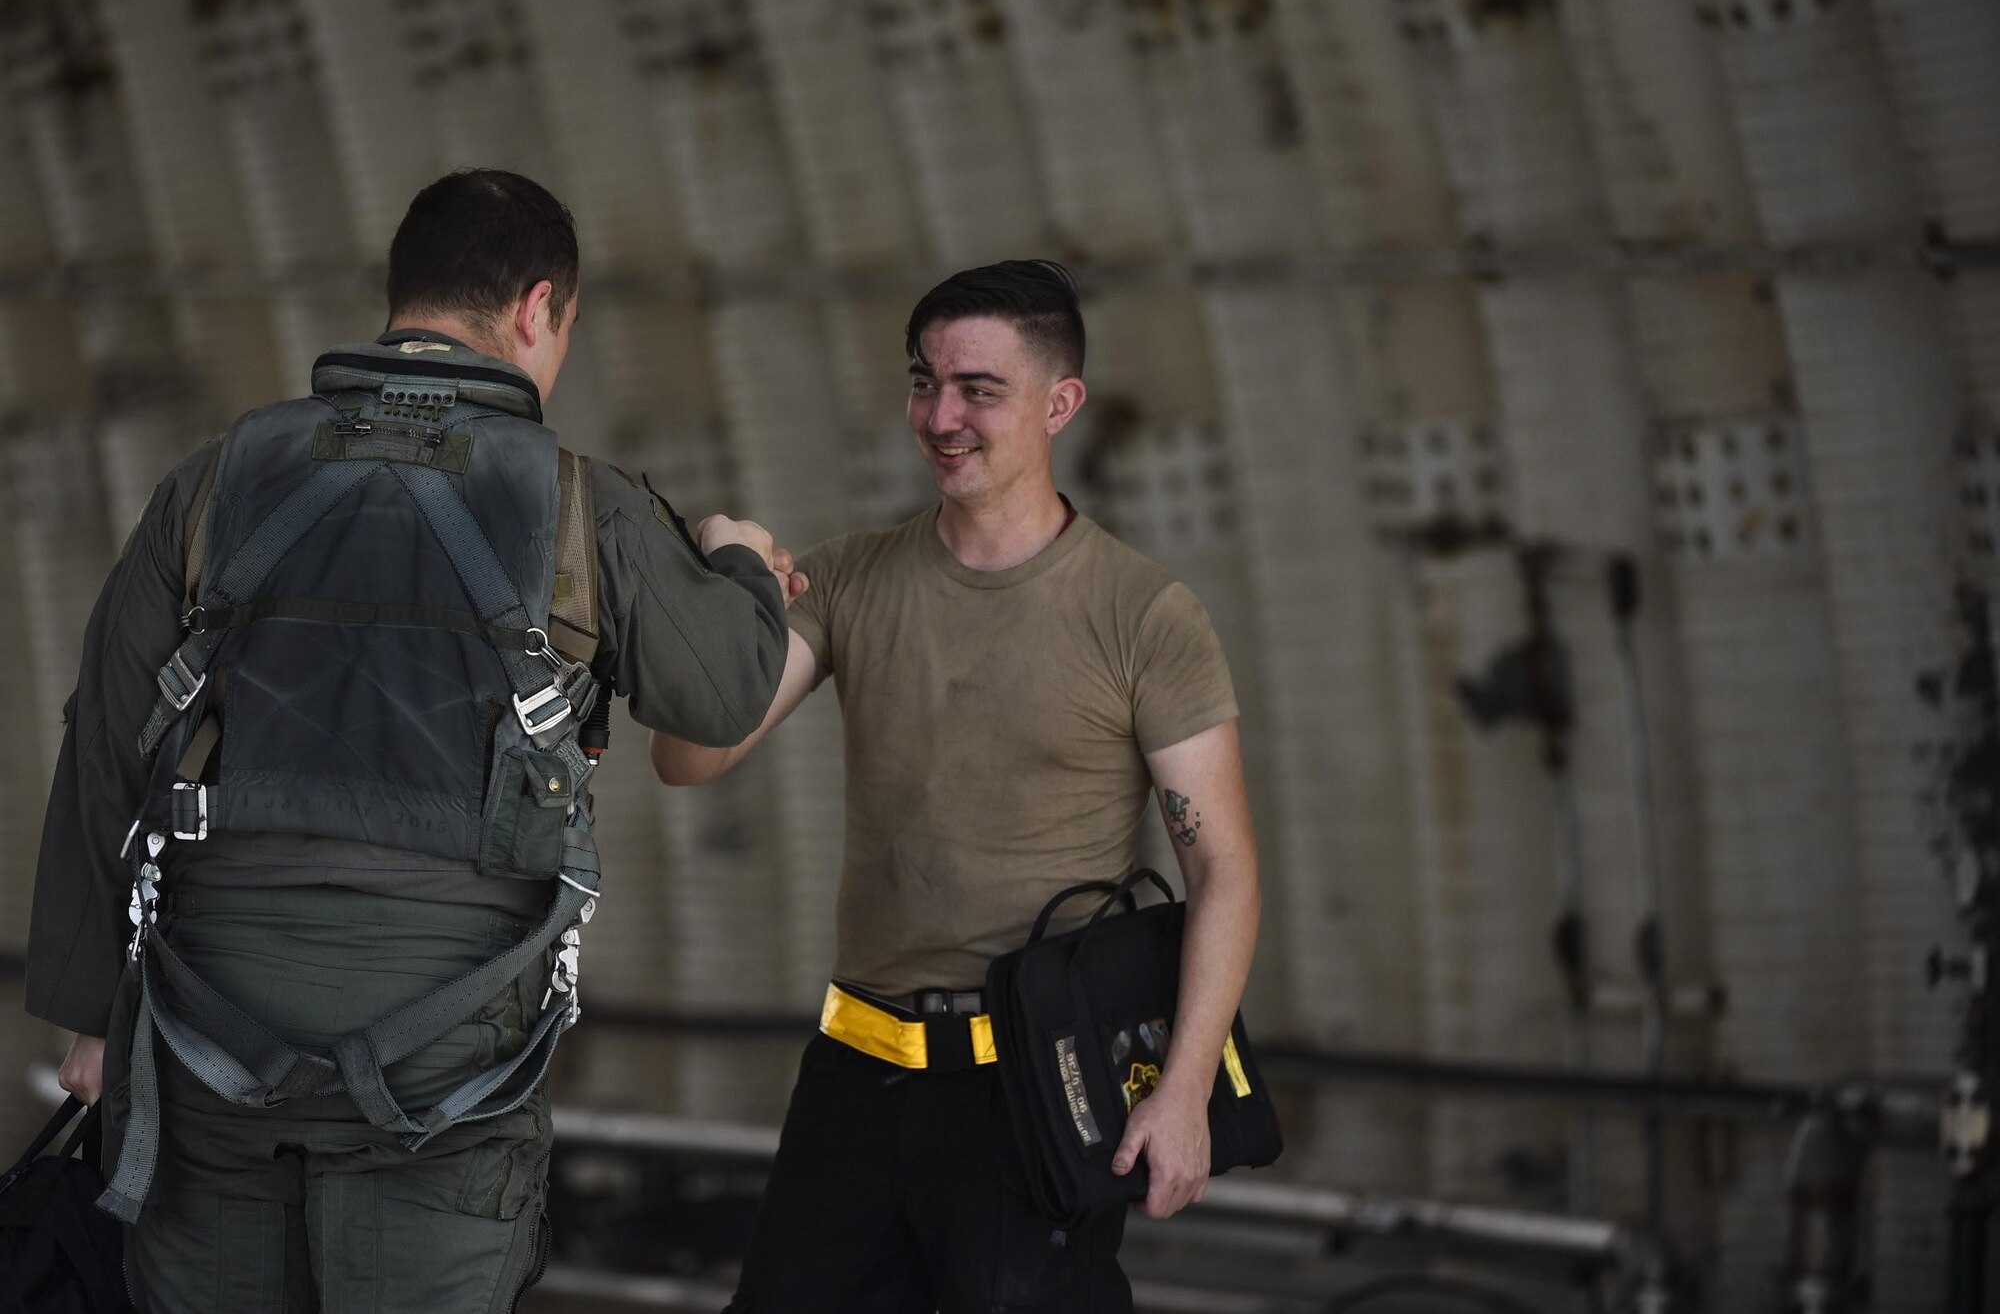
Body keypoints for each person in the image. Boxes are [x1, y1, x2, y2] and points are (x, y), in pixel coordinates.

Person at [24, 168, 796, 1312]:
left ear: (403, 296)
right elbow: (724, 694)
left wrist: (95, 1016)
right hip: (446, 1055)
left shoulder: (219, 476)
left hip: (210, 1020)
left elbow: (106, 740)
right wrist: (737, 559)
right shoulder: (582, 505)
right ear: (538, 309)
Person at [654, 259, 1262, 1313]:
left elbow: (1223, 873)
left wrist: (1185, 1090)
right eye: (922, 383)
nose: (940, 415)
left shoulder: (1142, 616)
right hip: (855, 1069)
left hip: (1032, 1086)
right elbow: (687, 755)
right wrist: (734, 588)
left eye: (978, 388)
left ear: (1058, 403)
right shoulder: (847, 581)